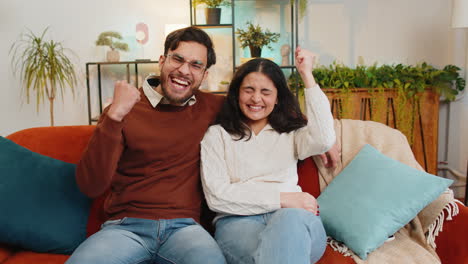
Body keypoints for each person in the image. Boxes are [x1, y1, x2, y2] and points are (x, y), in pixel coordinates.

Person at [66, 26, 227, 264]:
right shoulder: (124, 107)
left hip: (185, 229)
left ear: (204, 75)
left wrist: (305, 81)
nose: (184, 70)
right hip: (125, 227)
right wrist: (114, 116)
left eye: (196, 65)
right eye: (178, 59)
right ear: (162, 61)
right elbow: (91, 186)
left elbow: (266, 108)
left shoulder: (214, 107)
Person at [200, 47, 336, 264]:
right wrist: (283, 199)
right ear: (236, 93)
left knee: (288, 223)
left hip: (295, 219)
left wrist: (307, 75)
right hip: (239, 223)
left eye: (265, 92)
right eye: (249, 90)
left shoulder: (292, 133)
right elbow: (218, 196)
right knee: (276, 253)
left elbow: (324, 139)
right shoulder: (217, 136)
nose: (256, 98)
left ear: (278, 98)